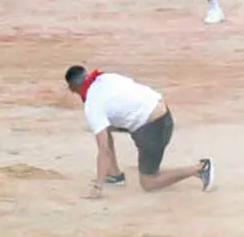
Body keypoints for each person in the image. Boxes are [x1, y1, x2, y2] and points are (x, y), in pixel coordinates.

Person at [64, 65, 215, 199]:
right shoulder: (106, 77)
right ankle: (115, 175)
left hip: (154, 127)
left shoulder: (93, 105)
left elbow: (104, 150)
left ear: (72, 88)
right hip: (161, 111)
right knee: (102, 127)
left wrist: (98, 187)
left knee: (148, 182)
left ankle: (199, 169)